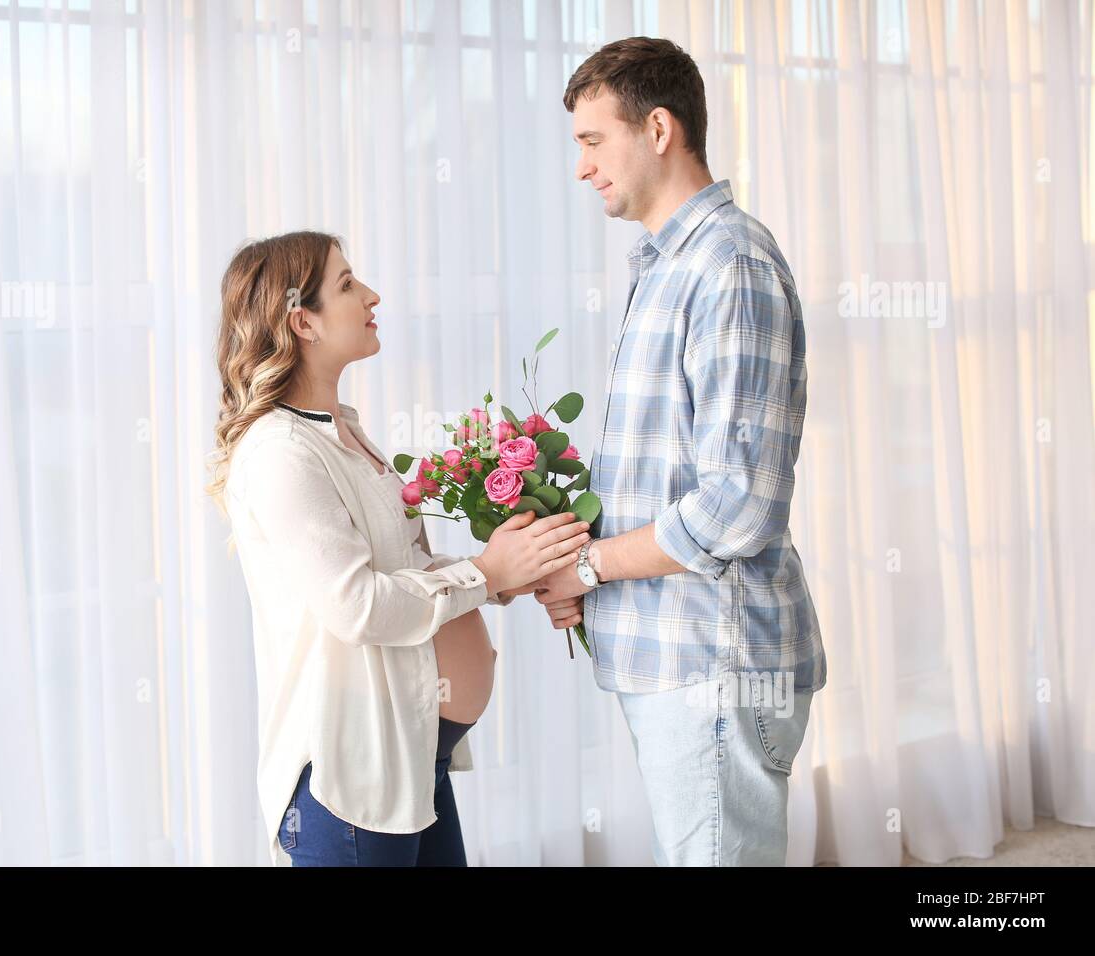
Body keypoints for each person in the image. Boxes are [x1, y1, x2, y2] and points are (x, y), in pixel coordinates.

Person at [531, 37, 828, 866]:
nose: (583, 167)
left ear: (659, 129)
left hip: (715, 662)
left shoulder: (728, 265)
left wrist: (587, 567)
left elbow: (738, 506)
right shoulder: (668, 264)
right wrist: (568, 559)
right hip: (678, 658)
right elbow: (666, 474)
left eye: (594, 141)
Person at [207, 230, 590, 866]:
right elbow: (358, 607)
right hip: (351, 778)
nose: (371, 295)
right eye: (347, 284)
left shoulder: (343, 431)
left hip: (409, 754)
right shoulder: (280, 453)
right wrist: (483, 573)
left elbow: (402, 572)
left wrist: (506, 573)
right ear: (303, 321)